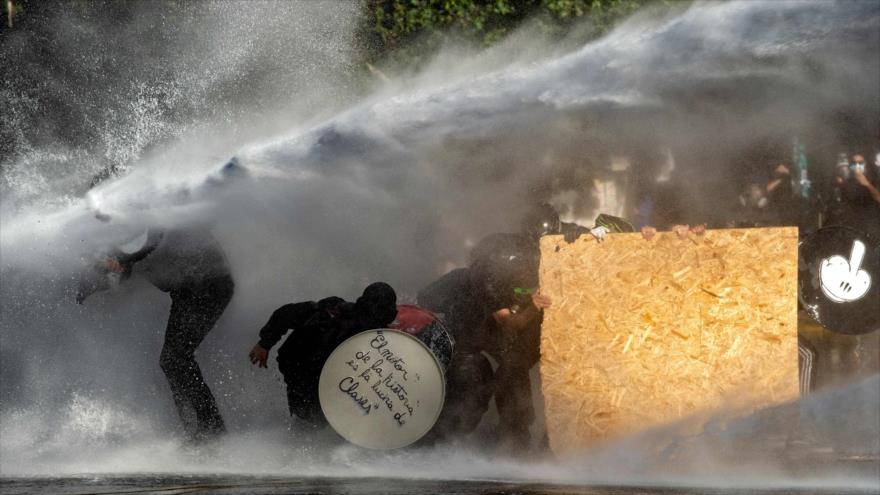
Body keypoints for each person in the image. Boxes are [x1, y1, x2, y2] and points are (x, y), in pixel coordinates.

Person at [78, 227, 235, 442]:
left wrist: (122, 258)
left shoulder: (153, 219)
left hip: (209, 286)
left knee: (174, 359)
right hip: (187, 293)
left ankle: (211, 428)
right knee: (171, 361)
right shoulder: (125, 240)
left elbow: (151, 241)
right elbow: (123, 272)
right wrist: (91, 284)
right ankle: (198, 429)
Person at [248, 282, 397, 428]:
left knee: (317, 420)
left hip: (320, 377)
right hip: (303, 373)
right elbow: (286, 314)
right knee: (311, 422)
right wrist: (265, 343)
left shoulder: (367, 325)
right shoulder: (331, 313)